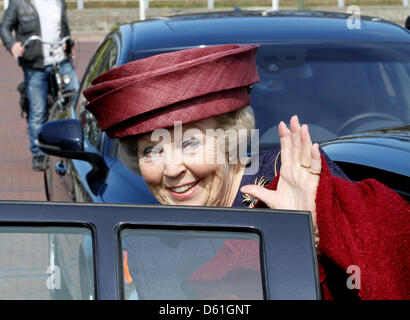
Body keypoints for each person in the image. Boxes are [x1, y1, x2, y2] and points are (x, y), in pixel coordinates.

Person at [83, 44, 409, 299]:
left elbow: (390, 257)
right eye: (151, 150)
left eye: (190, 144)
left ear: (230, 137)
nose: (170, 169)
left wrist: (321, 231)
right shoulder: (146, 243)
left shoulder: (293, 178)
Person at [0, 0, 79, 171]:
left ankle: (77, 145)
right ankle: (38, 153)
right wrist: (12, 44)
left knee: (77, 101)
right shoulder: (19, 3)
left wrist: (68, 42)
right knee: (38, 110)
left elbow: (62, 25)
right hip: (35, 65)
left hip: (61, 61)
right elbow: (4, 27)